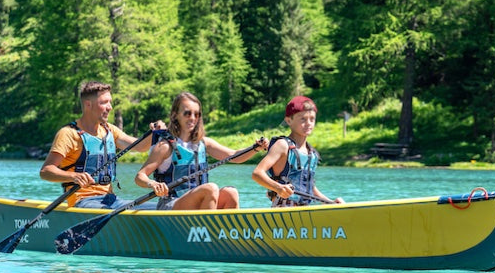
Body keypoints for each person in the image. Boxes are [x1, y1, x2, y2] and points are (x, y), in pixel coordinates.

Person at [134, 91, 268, 210]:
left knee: (230, 193)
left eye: (196, 114)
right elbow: (140, 176)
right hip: (171, 204)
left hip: (198, 203)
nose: (192, 118)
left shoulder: (204, 143)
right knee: (210, 188)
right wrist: (152, 184)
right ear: (175, 115)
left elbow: (234, 156)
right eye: (187, 113)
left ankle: (226, 230)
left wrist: (255, 148)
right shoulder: (165, 146)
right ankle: (206, 229)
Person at [40, 81, 161, 208]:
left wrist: (155, 133)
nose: (110, 107)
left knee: (160, 208)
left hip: (112, 200)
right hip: (84, 201)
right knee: (106, 210)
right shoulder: (68, 134)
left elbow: (140, 147)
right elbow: (46, 171)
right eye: (104, 102)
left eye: (110, 102)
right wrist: (74, 176)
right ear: (88, 104)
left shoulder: (109, 130)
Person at [252, 95, 343, 206]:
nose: (308, 123)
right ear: (289, 120)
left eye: (312, 119)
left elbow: (309, 188)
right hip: (283, 209)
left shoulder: (312, 153)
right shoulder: (282, 145)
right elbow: (257, 173)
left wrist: (330, 202)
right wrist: (278, 188)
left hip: (304, 209)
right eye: (303, 119)